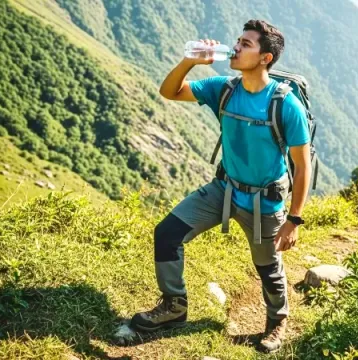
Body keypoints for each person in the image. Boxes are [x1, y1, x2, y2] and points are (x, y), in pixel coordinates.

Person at [130, 19, 312, 353]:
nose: (236, 46)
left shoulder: (285, 104)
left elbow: (303, 166)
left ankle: (277, 322)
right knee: (167, 233)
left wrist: (294, 220)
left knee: (268, 268)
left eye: (246, 43)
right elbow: (169, 92)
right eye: (238, 40)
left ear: (265, 58)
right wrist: (190, 61)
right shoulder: (224, 89)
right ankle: (174, 307)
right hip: (223, 189)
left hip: (264, 202)